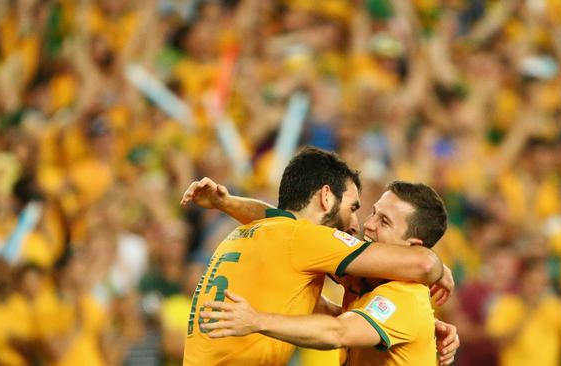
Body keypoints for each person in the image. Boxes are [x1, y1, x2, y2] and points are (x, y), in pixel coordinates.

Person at [180, 147, 454, 365]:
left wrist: (226, 203)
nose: (360, 225)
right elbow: (425, 263)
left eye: (383, 221)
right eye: (356, 208)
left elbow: (336, 317)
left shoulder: (259, 232)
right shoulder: (308, 240)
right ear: (326, 198)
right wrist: (441, 271)